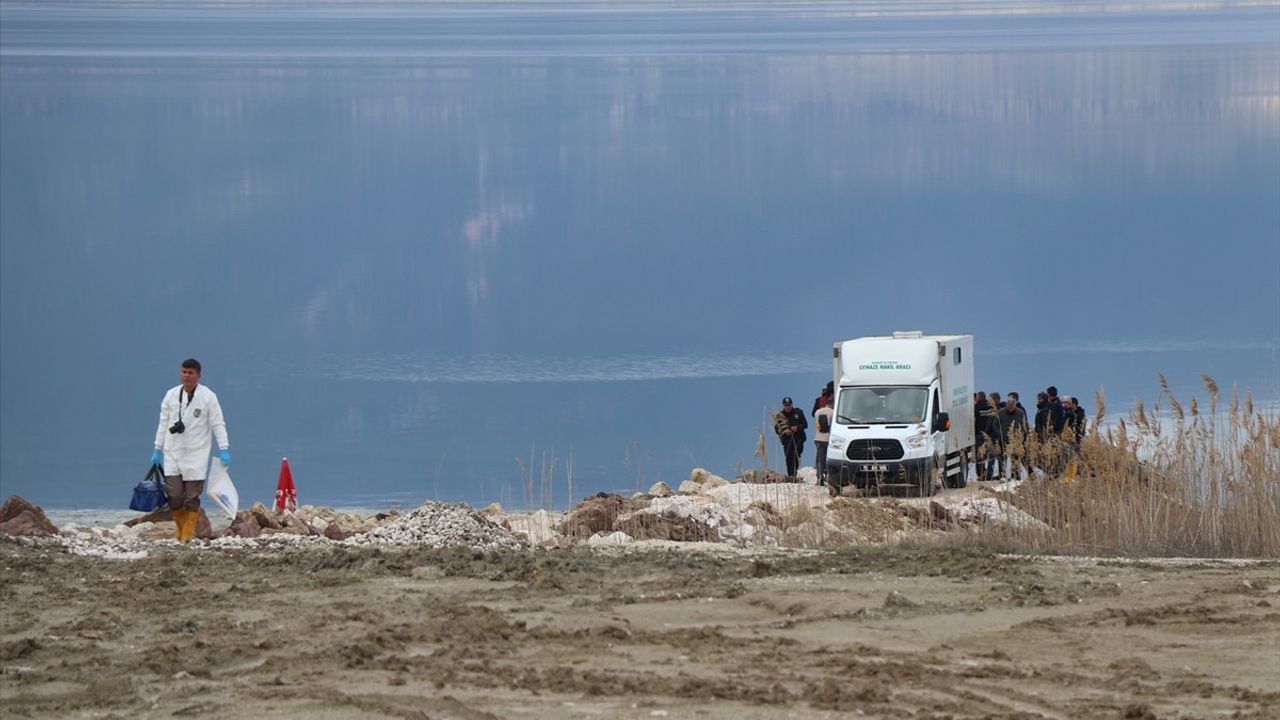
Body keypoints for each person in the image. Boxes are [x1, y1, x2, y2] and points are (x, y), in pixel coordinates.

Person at [150, 358, 230, 541]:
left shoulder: (208, 397)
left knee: (192, 496)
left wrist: (224, 448)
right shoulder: (171, 395)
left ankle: (187, 533)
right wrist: (157, 449)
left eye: (190, 373)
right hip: (173, 451)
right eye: (184, 372)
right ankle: (180, 527)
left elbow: (218, 424)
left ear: (198, 376)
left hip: (197, 453)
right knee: (174, 495)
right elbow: (163, 423)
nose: (186, 376)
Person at [773, 396, 808, 480]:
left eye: (789, 405)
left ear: (792, 405)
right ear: (783, 406)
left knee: (796, 455)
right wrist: (784, 431)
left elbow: (805, 425)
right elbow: (777, 429)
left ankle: (794, 473)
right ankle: (790, 475)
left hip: (798, 438)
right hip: (787, 440)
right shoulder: (780, 416)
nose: (788, 407)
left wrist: (797, 427)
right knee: (788, 457)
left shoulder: (798, 412)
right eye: (786, 405)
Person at [998, 395, 1030, 474]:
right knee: (1002, 457)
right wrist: (999, 434)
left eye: (1012, 407)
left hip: (1016, 439)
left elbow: (1024, 425)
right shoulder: (1001, 412)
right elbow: (995, 425)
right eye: (1009, 407)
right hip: (1003, 439)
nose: (1011, 408)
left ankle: (1016, 474)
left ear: (1015, 405)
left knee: (1016, 457)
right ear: (1006, 405)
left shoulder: (1020, 412)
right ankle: (1002, 474)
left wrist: (1023, 436)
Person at [813, 396, 834, 485]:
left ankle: (819, 476)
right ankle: (827, 476)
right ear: (832, 404)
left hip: (818, 438)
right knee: (828, 459)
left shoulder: (817, 412)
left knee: (819, 458)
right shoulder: (833, 412)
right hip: (828, 438)